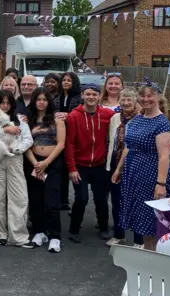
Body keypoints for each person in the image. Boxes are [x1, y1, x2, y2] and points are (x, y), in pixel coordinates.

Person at [113, 80, 170, 251]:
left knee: (151, 218)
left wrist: (160, 185)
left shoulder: (162, 123)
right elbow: (129, 146)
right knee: (141, 216)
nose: (146, 99)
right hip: (134, 173)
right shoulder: (139, 118)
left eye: (150, 96)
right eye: (142, 95)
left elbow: (164, 157)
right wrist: (119, 169)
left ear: (158, 97)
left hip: (151, 175)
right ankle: (147, 252)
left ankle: (154, 257)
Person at [0, 90, 35, 248]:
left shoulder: (19, 119)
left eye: (7, 102)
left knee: (19, 196)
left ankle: (18, 236)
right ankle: (0, 233)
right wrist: (4, 130)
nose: (5, 106)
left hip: (14, 157)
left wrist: (18, 149)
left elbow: (28, 139)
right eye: (1, 102)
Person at [65, 84, 115, 243]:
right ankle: (74, 229)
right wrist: (71, 168)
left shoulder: (108, 114)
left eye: (94, 94)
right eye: (88, 94)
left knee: (101, 199)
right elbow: (69, 144)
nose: (91, 97)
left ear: (100, 96)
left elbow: (126, 117)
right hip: (80, 165)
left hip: (100, 164)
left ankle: (103, 227)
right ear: (82, 95)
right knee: (81, 198)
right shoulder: (74, 116)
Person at [25, 88, 66, 253]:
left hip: (52, 163)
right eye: (38, 99)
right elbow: (25, 144)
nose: (41, 102)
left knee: (52, 201)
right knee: (36, 200)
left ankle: (55, 236)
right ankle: (39, 232)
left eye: (44, 99)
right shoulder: (29, 121)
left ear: (49, 102)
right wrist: (36, 163)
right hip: (34, 162)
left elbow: (61, 144)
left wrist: (46, 163)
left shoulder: (57, 120)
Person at [105, 88, 140, 247]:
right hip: (114, 162)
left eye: (129, 100)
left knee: (136, 202)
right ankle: (119, 235)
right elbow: (110, 141)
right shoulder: (114, 118)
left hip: (134, 164)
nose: (126, 103)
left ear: (135, 102)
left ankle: (139, 240)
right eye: (123, 100)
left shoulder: (141, 119)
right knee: (117, 201)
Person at [55, 72, 82, 210]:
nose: (65, 82)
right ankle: (62, 199)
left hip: (73, 135)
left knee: (72, 167)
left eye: (69, 80)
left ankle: (75, 200)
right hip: (59, 134)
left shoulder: (79, 98)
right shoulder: (57, 97)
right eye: (64, 80)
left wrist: (68, 115)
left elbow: (80, 113)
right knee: (61, 169)